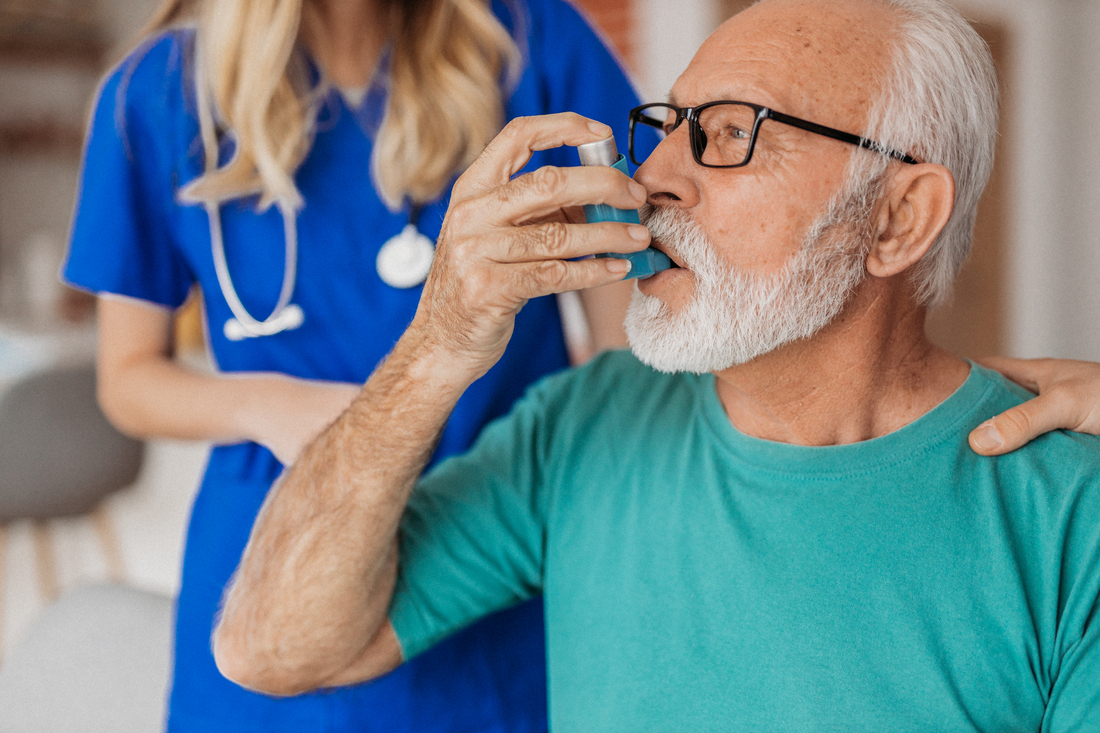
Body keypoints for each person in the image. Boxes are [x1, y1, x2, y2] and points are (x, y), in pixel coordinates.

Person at [214, 0, 1100, 730]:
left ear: (899, 217)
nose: (654, 177)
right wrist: (435, 344)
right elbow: (271, 647)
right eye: (665, 127)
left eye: (727, 132)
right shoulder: (586, 422)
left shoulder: (1071, 512)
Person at [62, 0, 644, 730]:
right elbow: (128, 381)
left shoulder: (533, 42)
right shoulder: (155, 96)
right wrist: (265, 404)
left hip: (497, 543)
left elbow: (632, 353)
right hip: (283, 548)